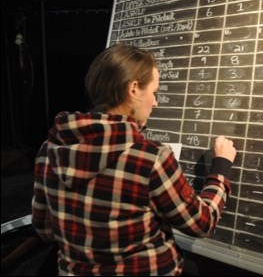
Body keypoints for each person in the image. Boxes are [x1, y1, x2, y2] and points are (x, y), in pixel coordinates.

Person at [31, 44, 236, 276]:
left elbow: (45, 229)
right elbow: (201, 222)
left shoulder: (49, 150)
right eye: (154, 92)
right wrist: (221, 168)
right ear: (134, 89)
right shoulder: (149, 157)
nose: (155, 102)